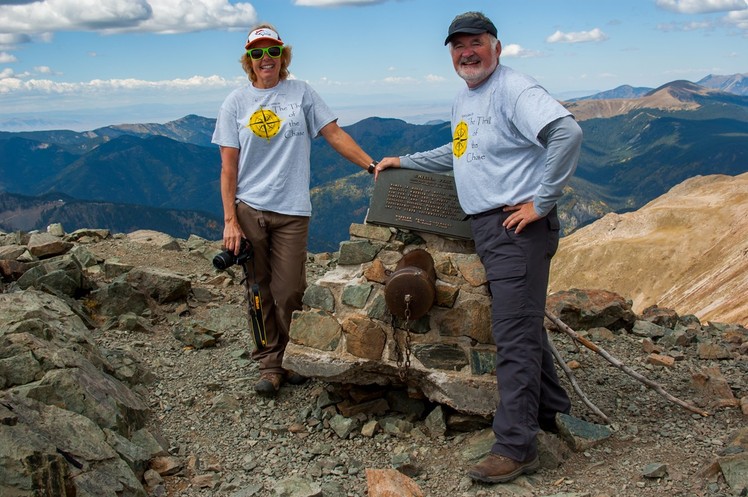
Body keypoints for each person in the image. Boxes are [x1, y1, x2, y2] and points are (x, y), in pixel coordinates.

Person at [376, 11, 583, 484]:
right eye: (458, 46)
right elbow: (460, 150)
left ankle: (516, 447)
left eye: (476, 42)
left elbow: (566, 133)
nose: (466, 52)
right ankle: (552, 408)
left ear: (497, 46)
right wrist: (405, 161)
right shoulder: (467, 97)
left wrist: (542, 201)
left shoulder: (514, 89)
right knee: (521, 321)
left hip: (516, 230)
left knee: (512, 335)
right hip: (491, 231)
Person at [212, 24, 378, 397]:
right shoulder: (235, 103)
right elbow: (228, 167)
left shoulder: (302, 93)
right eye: (257, 53)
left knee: (289, 289)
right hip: (249, 209)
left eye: (272, 51)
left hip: (292, 210)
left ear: (283, 56)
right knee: (258, 289)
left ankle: (293, 352)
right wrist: (229, 221)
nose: (265, 58)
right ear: (248, 60)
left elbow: (333, 133)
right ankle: (271, 362)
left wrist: (371, 166)